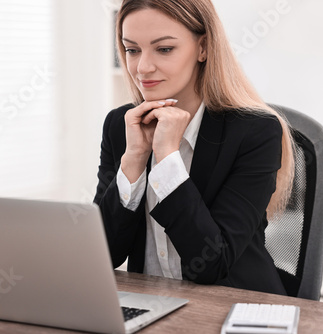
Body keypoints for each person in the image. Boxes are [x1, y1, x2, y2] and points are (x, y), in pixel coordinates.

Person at [93, 0, 295, 295]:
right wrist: (135, 158)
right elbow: (104, 256)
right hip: (153, 304)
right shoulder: (120, 125)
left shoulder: (255, 132)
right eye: (132, 49)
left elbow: (213, 263)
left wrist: (167, 160)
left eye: (164, 49)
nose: (142, 67)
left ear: (203, 48)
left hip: (233, 304)